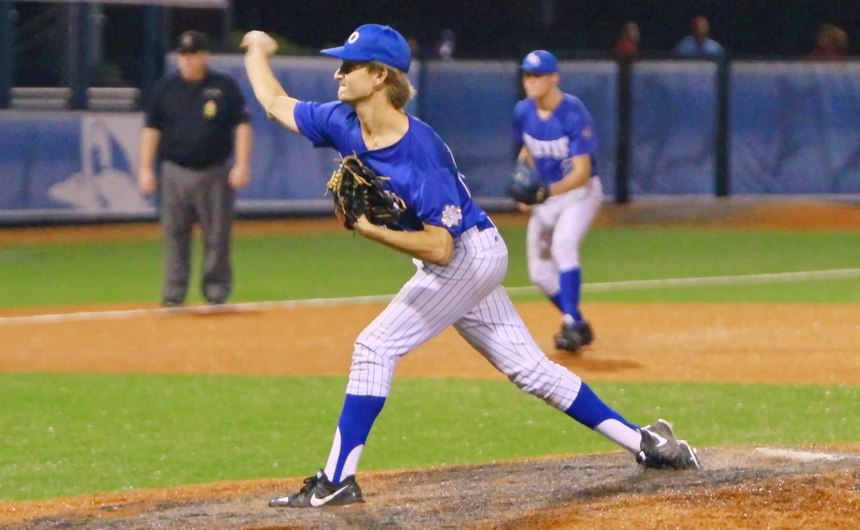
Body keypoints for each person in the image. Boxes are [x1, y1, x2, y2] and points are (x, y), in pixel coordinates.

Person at [241, 24, 701, 508]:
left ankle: (336, 480)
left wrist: (371, 230)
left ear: (379, 77)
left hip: (468, 256)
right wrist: (255, 50)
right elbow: (274, 103)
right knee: (531, 371)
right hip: (456, 263)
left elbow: (440, 249)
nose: (338, 73)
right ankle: (649, 442)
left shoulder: (421, 151)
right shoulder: (341, 121)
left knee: (374, 347)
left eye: (349, 65)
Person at [138, 30, 253, 307]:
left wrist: (242, 164)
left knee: (217, 237)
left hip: (214, 172)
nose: (188, 60)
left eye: (193, 54)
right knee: (175, 235)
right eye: (184, 55)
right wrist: (145, 168)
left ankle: (216, 292)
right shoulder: (165, 89)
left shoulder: (224, 87)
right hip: (174, 171)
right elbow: (151, 130)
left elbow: (242, 125)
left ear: (205, 56)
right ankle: (173, 294)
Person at [512, 50, 602, 354]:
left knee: (564, 244)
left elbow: (582, 172)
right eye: (527, 75)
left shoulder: (573, 113)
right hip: (547, 196)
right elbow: (528, 149)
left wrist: (545, 193)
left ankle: (570, 324)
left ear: (554, 78)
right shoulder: (523, 111)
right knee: (539, 273)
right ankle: (577, 321)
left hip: (579, 193)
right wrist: (524, 179)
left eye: (538, 75)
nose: (531, 81)